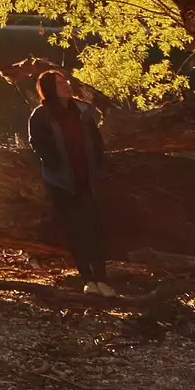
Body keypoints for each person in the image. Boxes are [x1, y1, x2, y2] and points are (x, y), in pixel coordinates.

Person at [27, 69, 114, 295]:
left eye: (64, 80)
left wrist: (100, 165)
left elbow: (96, 142)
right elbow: (36, 142)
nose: (65, 83)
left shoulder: (83, 110)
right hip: (61, 181)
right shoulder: (41, 114)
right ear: (48, 88)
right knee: (76, 230)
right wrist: (53, 161)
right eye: (59, 81)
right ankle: (88, 280)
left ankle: (102, 279)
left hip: (88, 179)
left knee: (95, 227)